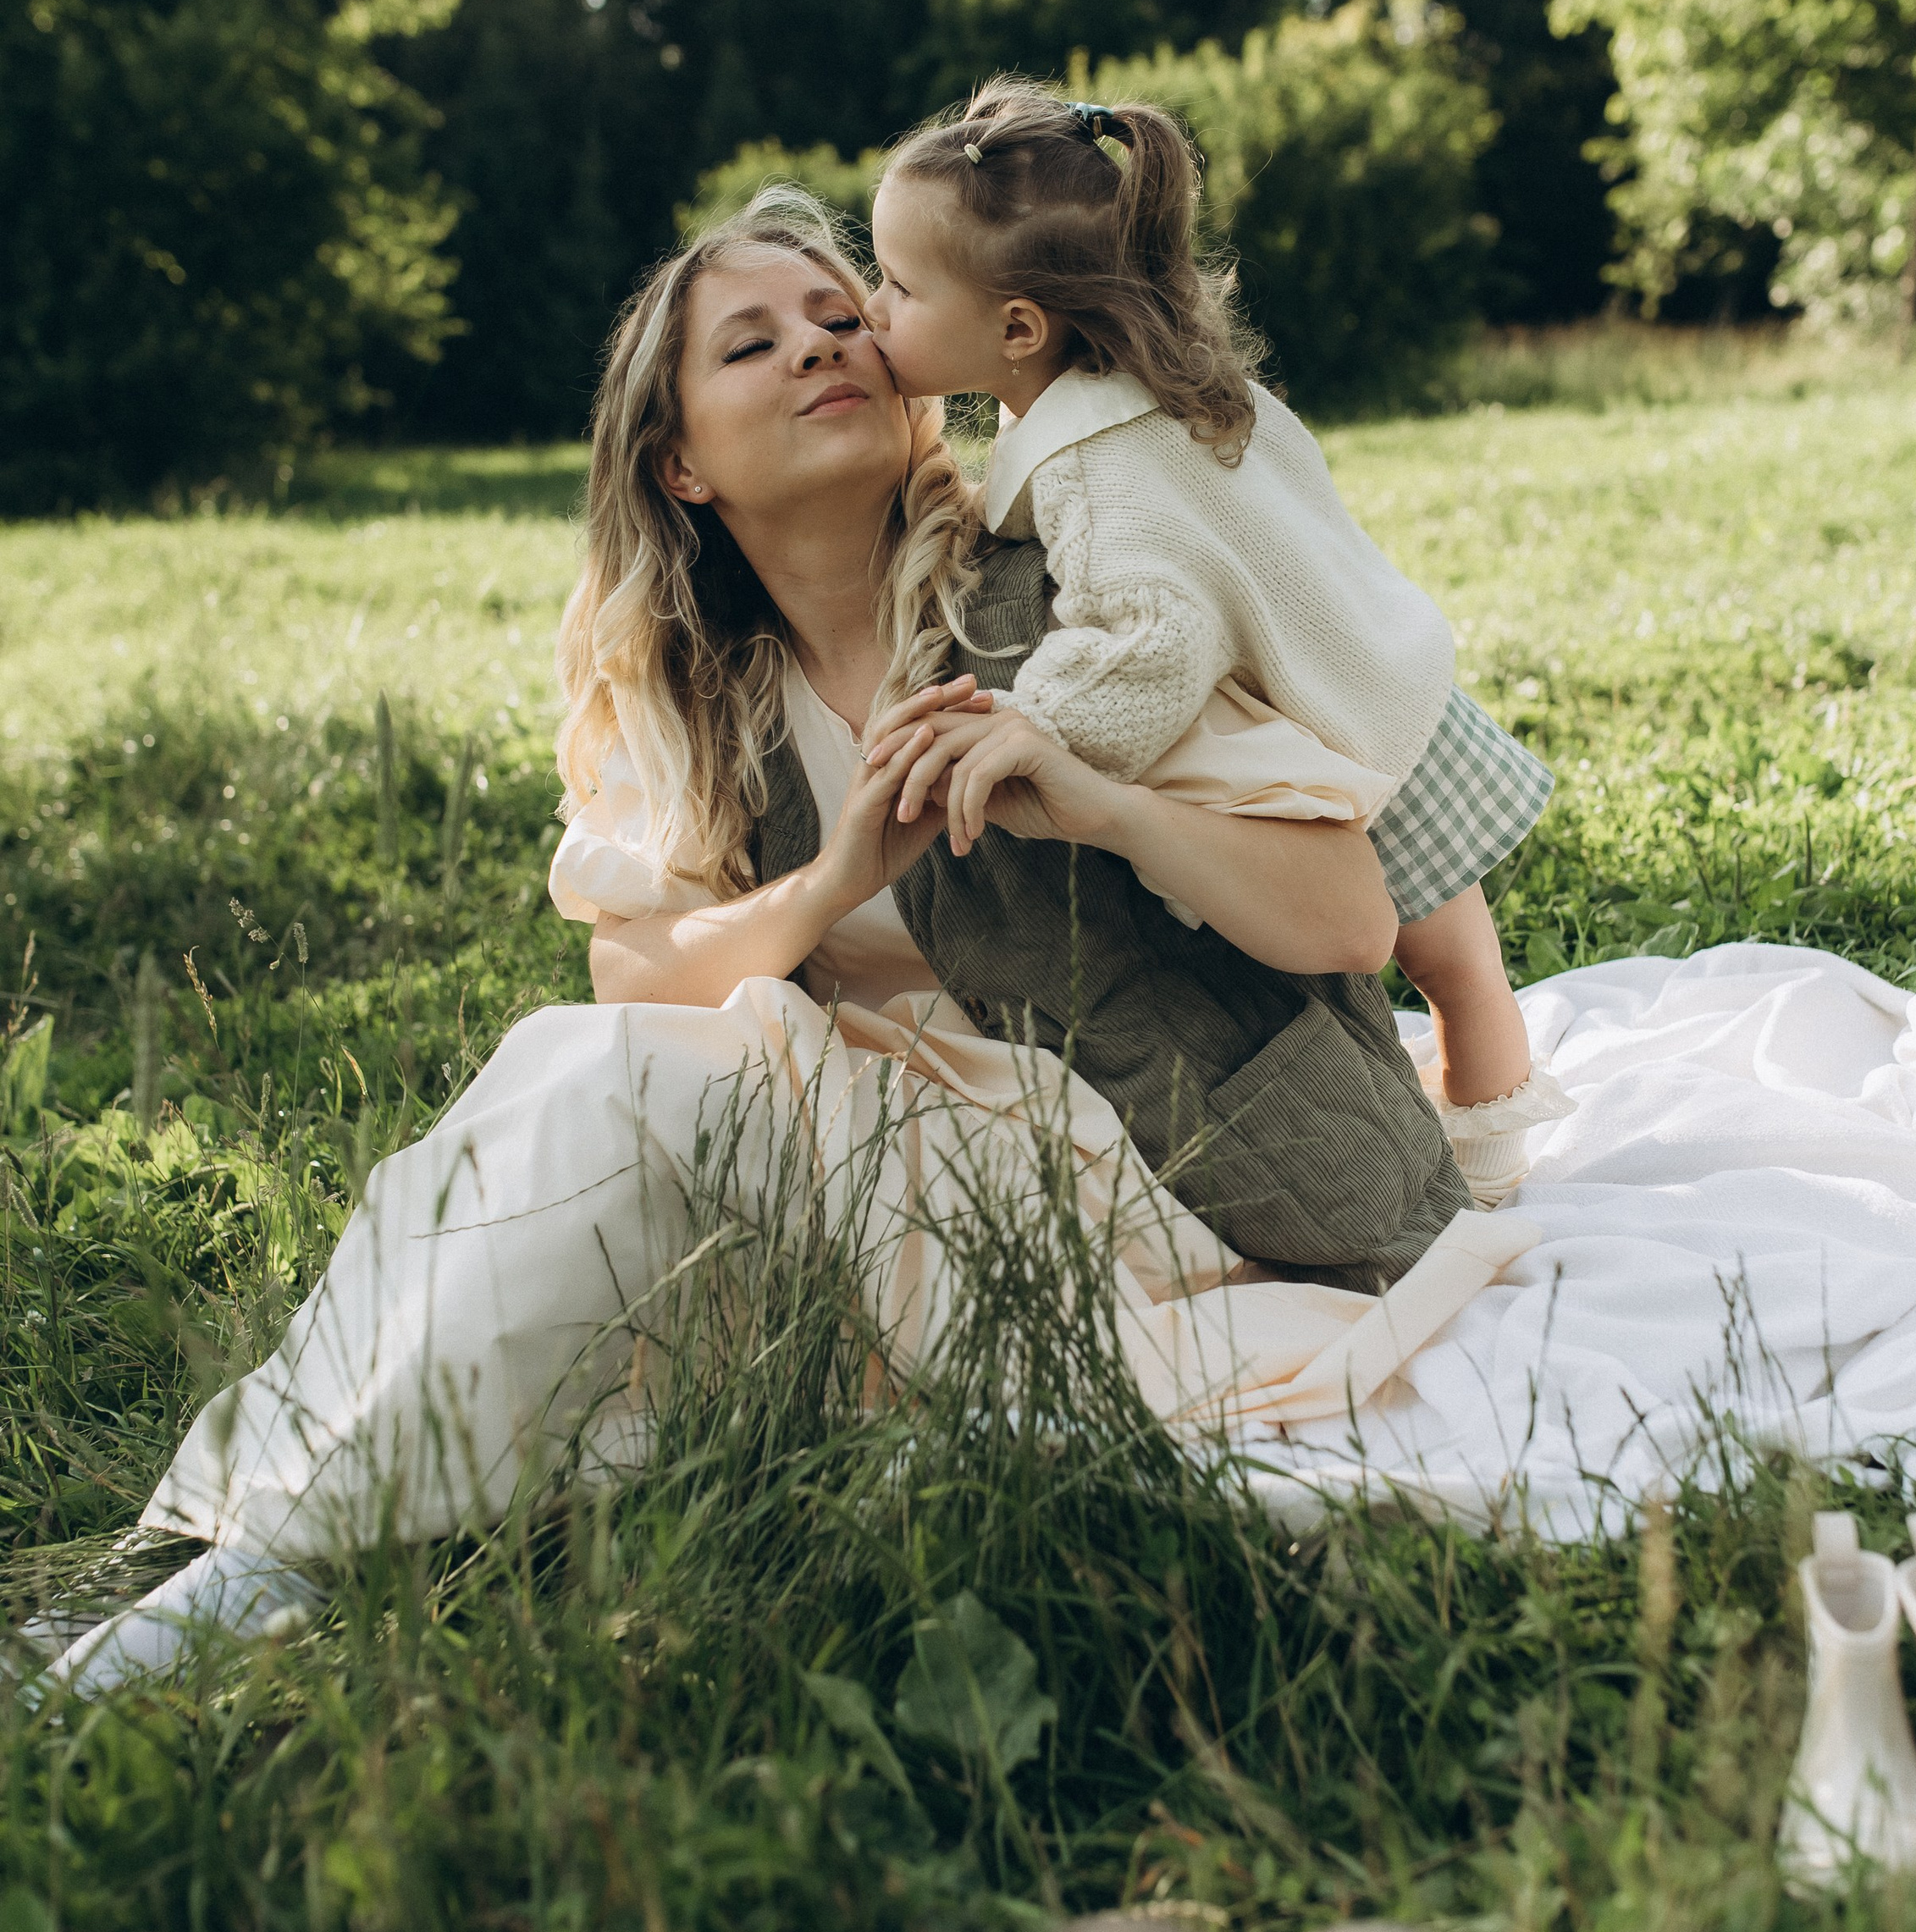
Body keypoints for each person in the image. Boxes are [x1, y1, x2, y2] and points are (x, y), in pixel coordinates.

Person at [47, 191, 1531, 1699]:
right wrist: (828, 885)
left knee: (635, 1120)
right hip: (883, 1166)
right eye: (752, 343)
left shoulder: (1061, 594)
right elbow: (634, 980)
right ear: (680, 461)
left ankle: (263, 1573)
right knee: (613, 1112)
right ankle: (281, 1557)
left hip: (1160, 1173)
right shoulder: (697, 692)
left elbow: (1345, 913)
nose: (821, 346)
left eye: (841, 316)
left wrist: (1100, 806)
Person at [864, 79, 1570, 1206]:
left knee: (1451, 969)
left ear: (1015, 329)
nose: (873, 307)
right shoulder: (1145, 383)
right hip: (1385, 670)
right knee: (1465, 965)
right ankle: (1486, 1153)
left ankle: (1487, 1180)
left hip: (1350, 727)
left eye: (898, 287)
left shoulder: (1099, 466)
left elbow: (1154, 638)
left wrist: (1037, 718)